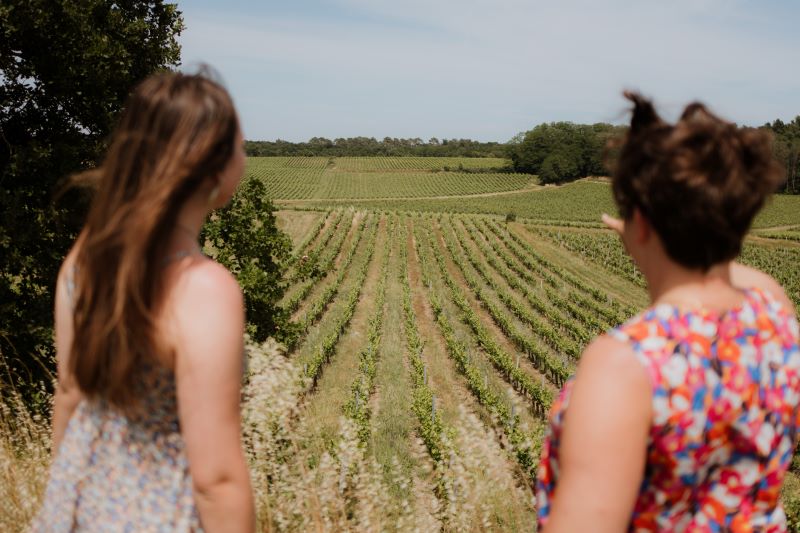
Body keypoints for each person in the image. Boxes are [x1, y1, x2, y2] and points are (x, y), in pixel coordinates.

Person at [536, 92, 800, 532]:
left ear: (641, 223)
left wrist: (651, 234)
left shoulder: (627, 363)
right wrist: (659, 232)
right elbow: (735, 271)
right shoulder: (776, 314)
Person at [32, 71, 256, 532]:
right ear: (211, 167)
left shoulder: (86, 258)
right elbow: (216, 479)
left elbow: (70, 394)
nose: (246, 156)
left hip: (75, 511)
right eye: (240, 145)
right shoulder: (205, 289)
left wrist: (64, 499)